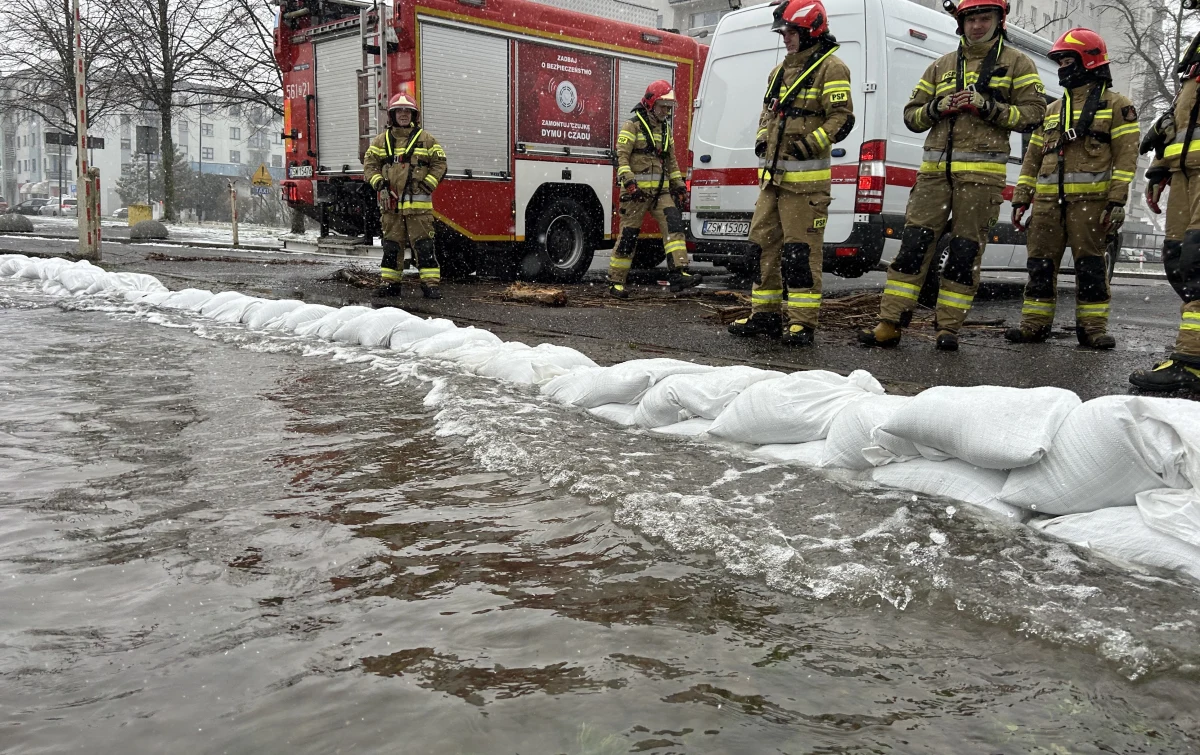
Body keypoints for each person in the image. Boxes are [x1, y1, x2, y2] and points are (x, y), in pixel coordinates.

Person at [859, 0, 1045, 351]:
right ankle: (889, 323)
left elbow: (1034, 115)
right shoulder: (941, 65)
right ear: (961, 23)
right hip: (933, 178)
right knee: (912, 248)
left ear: (999, 21)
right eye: (971, 19)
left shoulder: (1018, 64)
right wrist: (938, 107)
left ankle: (948, 329)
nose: (977, 26)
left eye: (985, 18)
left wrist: (987, 107)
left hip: (981, 180)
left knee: (963, 253)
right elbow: (911, 117)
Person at [726, 0, 854, 346]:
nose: (785, 38)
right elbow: (767, 115)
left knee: (800, 254)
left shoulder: (832, 68)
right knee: (761, 249)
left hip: (806, 188)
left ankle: (802, 323)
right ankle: (765, 316)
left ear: (812, 30)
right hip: (772, 182)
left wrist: (808, 145)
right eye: (783, 32)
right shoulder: (778, 72)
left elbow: (841, 118)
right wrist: (761, 140)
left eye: (791, 32)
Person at [1006, 29, 1138, 350]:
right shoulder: (1052, 111)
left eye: (1068, 60)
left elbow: (1126, 158)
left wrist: (1116, 201)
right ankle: (1034, 325)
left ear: (1089, 61)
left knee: (1090, 267)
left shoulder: (1117, 106)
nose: (1063, 67)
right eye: (1061, 61)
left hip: (1091, 204)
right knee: (1040, 265)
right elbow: (1033, 158)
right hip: (1047, 204)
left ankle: (1093, 330)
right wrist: (1021, 199)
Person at [1130, 30, 1200, 391]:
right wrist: (1159, 168)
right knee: (1177, 260)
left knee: (1198, 262)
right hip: (1185, 173)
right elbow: (1181, 120)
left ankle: (1193, 362)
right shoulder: (1196, 54)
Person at [610, 81, 699, 298]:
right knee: (629, 236)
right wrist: (629, 183)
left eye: (669, 107)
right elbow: (621, 157)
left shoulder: (665, 129)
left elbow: (671, 162)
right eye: (663, 106)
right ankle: (616, 282)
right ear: (651, 103)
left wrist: (679, 186)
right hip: (636, 194)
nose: (666, 111)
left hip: (660, 192)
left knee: (674, 226)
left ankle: (678, 273)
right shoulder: (632, 126)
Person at [363, 92, 448, 299]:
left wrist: (428, 183)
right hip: (391, 206)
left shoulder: (426, 140)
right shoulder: (380, 141)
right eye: (399, 111)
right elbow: (370, 165)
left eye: (407, 111)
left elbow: (440, 163)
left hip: (418, 208)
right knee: (391, 246)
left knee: (424, 246)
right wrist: (379, 183)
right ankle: (390, 284)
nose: (403, 114)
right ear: (392, 115)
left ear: (413, 115)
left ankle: (430, 285)